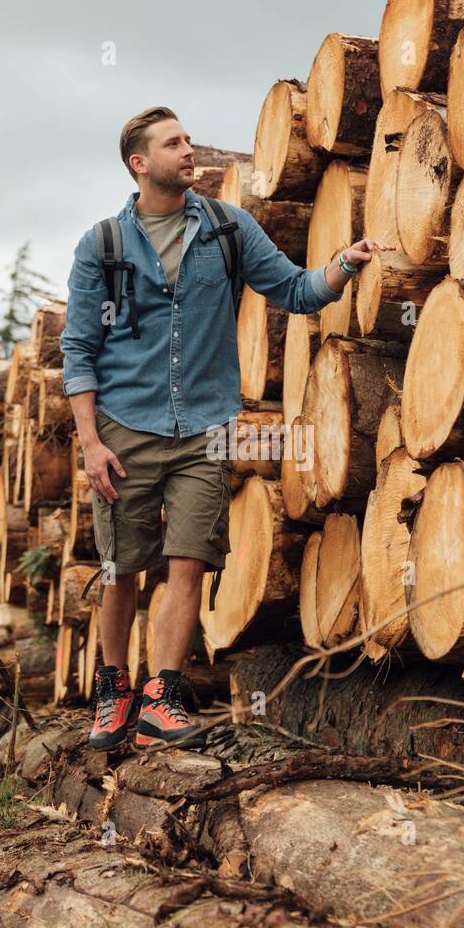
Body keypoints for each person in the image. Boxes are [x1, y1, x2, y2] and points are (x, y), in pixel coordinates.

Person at [60, 105, 391, 751]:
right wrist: (91, 442)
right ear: (140, 163)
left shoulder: (226, 228)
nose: (190, 152)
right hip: (124, 425)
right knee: (121, 567)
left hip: (208, 426)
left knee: (188, 564)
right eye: (174, 144)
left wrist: (345, 263)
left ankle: (161, 696)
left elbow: (295, 291)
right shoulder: (102, 244)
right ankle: (113, 690)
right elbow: (78, 347)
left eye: (187, 140)